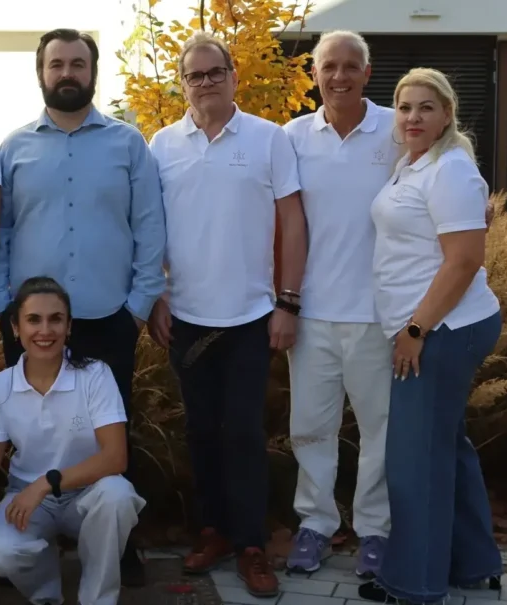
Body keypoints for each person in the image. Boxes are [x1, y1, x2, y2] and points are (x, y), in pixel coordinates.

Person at [0, 27, 166, 585]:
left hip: (108, 315)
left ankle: (116, 541)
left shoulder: (127, 143)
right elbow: (0, 231)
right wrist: (1, 303)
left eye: (77, 64)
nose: (67, 73)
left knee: (112, 429)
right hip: (31, 322)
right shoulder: (14, 147)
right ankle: (26, 528)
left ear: (93, 71)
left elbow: (149, 224)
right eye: (57, 64)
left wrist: (138, 306)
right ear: (41, 72)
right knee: (34, 427)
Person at [147, 31, 307, 597]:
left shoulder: (268, 138)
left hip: (250, 318)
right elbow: (150, 227)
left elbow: (292, 221)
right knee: (200, 431)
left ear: (234, 76)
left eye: (216, 72)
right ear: (183, 84)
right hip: (185, 318)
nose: (206, 82)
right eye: (195, 75)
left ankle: (252, 545)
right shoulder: (162, 145)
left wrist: (288, 302)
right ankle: (212, 531)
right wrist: (155, 296)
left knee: (242, 432)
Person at [358, 67, 503, 604]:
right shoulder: (412, 165)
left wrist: (416, 329)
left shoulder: (451, 170)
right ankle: (473, 564)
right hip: (434, 327)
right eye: (404, 107)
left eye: (426, 107)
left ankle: (413, 583)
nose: (413, 117)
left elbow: (464, 261)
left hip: (443, 329)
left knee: (415, 458)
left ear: (446, 115)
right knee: (445, 447)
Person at [280, 30, 396, 576]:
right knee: (310, 429)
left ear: (367, 74)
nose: (340, 76)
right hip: (311, 312)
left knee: (380, 432)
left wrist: (477, 206)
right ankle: (316, 524)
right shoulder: (292, 137)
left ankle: (376, 532)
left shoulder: (395, 129)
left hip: (379, 313)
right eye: (329, 66)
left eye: (351, 66)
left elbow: (444, 164)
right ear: (314, 74)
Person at [0, 276, 145, 605]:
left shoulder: (95, 375)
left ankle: (98, 599)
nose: (45, 330)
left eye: (55, 319)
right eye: (33, 320)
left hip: (88, 495)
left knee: (117, 496)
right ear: (16, 328)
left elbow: (116, 458)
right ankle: (46, 593)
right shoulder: (2, 386)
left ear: (69, 326)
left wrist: (47, 483)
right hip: (30, 499)